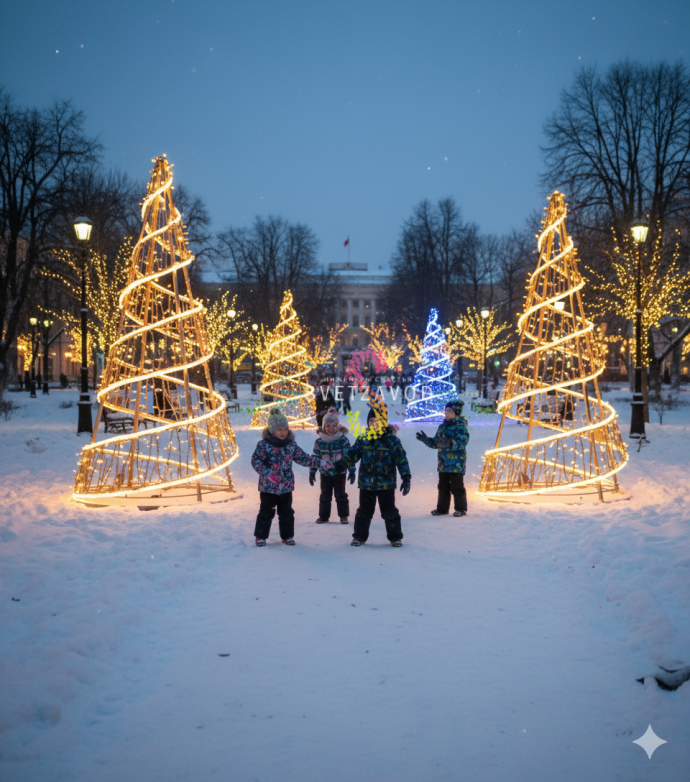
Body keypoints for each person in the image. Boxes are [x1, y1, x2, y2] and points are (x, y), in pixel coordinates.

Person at [251, 407, 331, 547]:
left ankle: (287, 536)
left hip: (286, 486)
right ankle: (261, 536)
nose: (283, 432)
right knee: (266, 512)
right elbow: (256, 461)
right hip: (268, 487)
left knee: (287, 512)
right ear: (272, 430)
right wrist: (267, 473)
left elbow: (303, 458)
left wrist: (319, 463)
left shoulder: (290, 445)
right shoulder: (264, 445)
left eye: (285, 429)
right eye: (279, 429)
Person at [342, 399, 411, 547]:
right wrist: (341, 465)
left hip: (386, 483)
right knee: (363, 512)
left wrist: (406, 477)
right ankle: (359, 537)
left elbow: (401, 459)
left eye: (378, 421)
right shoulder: (363, 439)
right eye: (371, 420)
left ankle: (395, 537)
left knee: (390, 511)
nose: (374, 423)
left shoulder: (391, 440)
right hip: (366, 483)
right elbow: (352, 454)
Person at [416, 399, 469, 517]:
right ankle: (442, 508)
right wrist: (426, 440)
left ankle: (461, 509)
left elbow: (462, 442)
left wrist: (449, 443)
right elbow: (436, 443)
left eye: (449, 410)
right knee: (443, 486)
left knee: (457, 487)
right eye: (445, 410)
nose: (446, 412)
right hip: (443, 463)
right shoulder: (442, 427)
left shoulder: (461, 427)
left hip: (456, 464)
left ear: (456, 412)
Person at [310, 408, 356, 524]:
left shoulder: (342, 440)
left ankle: (343, 515)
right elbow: (315, 457)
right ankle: (324, 516)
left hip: (339, 472)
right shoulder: (319, 441)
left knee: (341, 494)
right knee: (325, 495)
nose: (331, 428)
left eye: (333, 426)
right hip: (325, 473)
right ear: (323, 426)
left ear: (337, 426)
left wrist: (351, 470)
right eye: (328, 426)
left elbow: (348, 456)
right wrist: (312, 471)